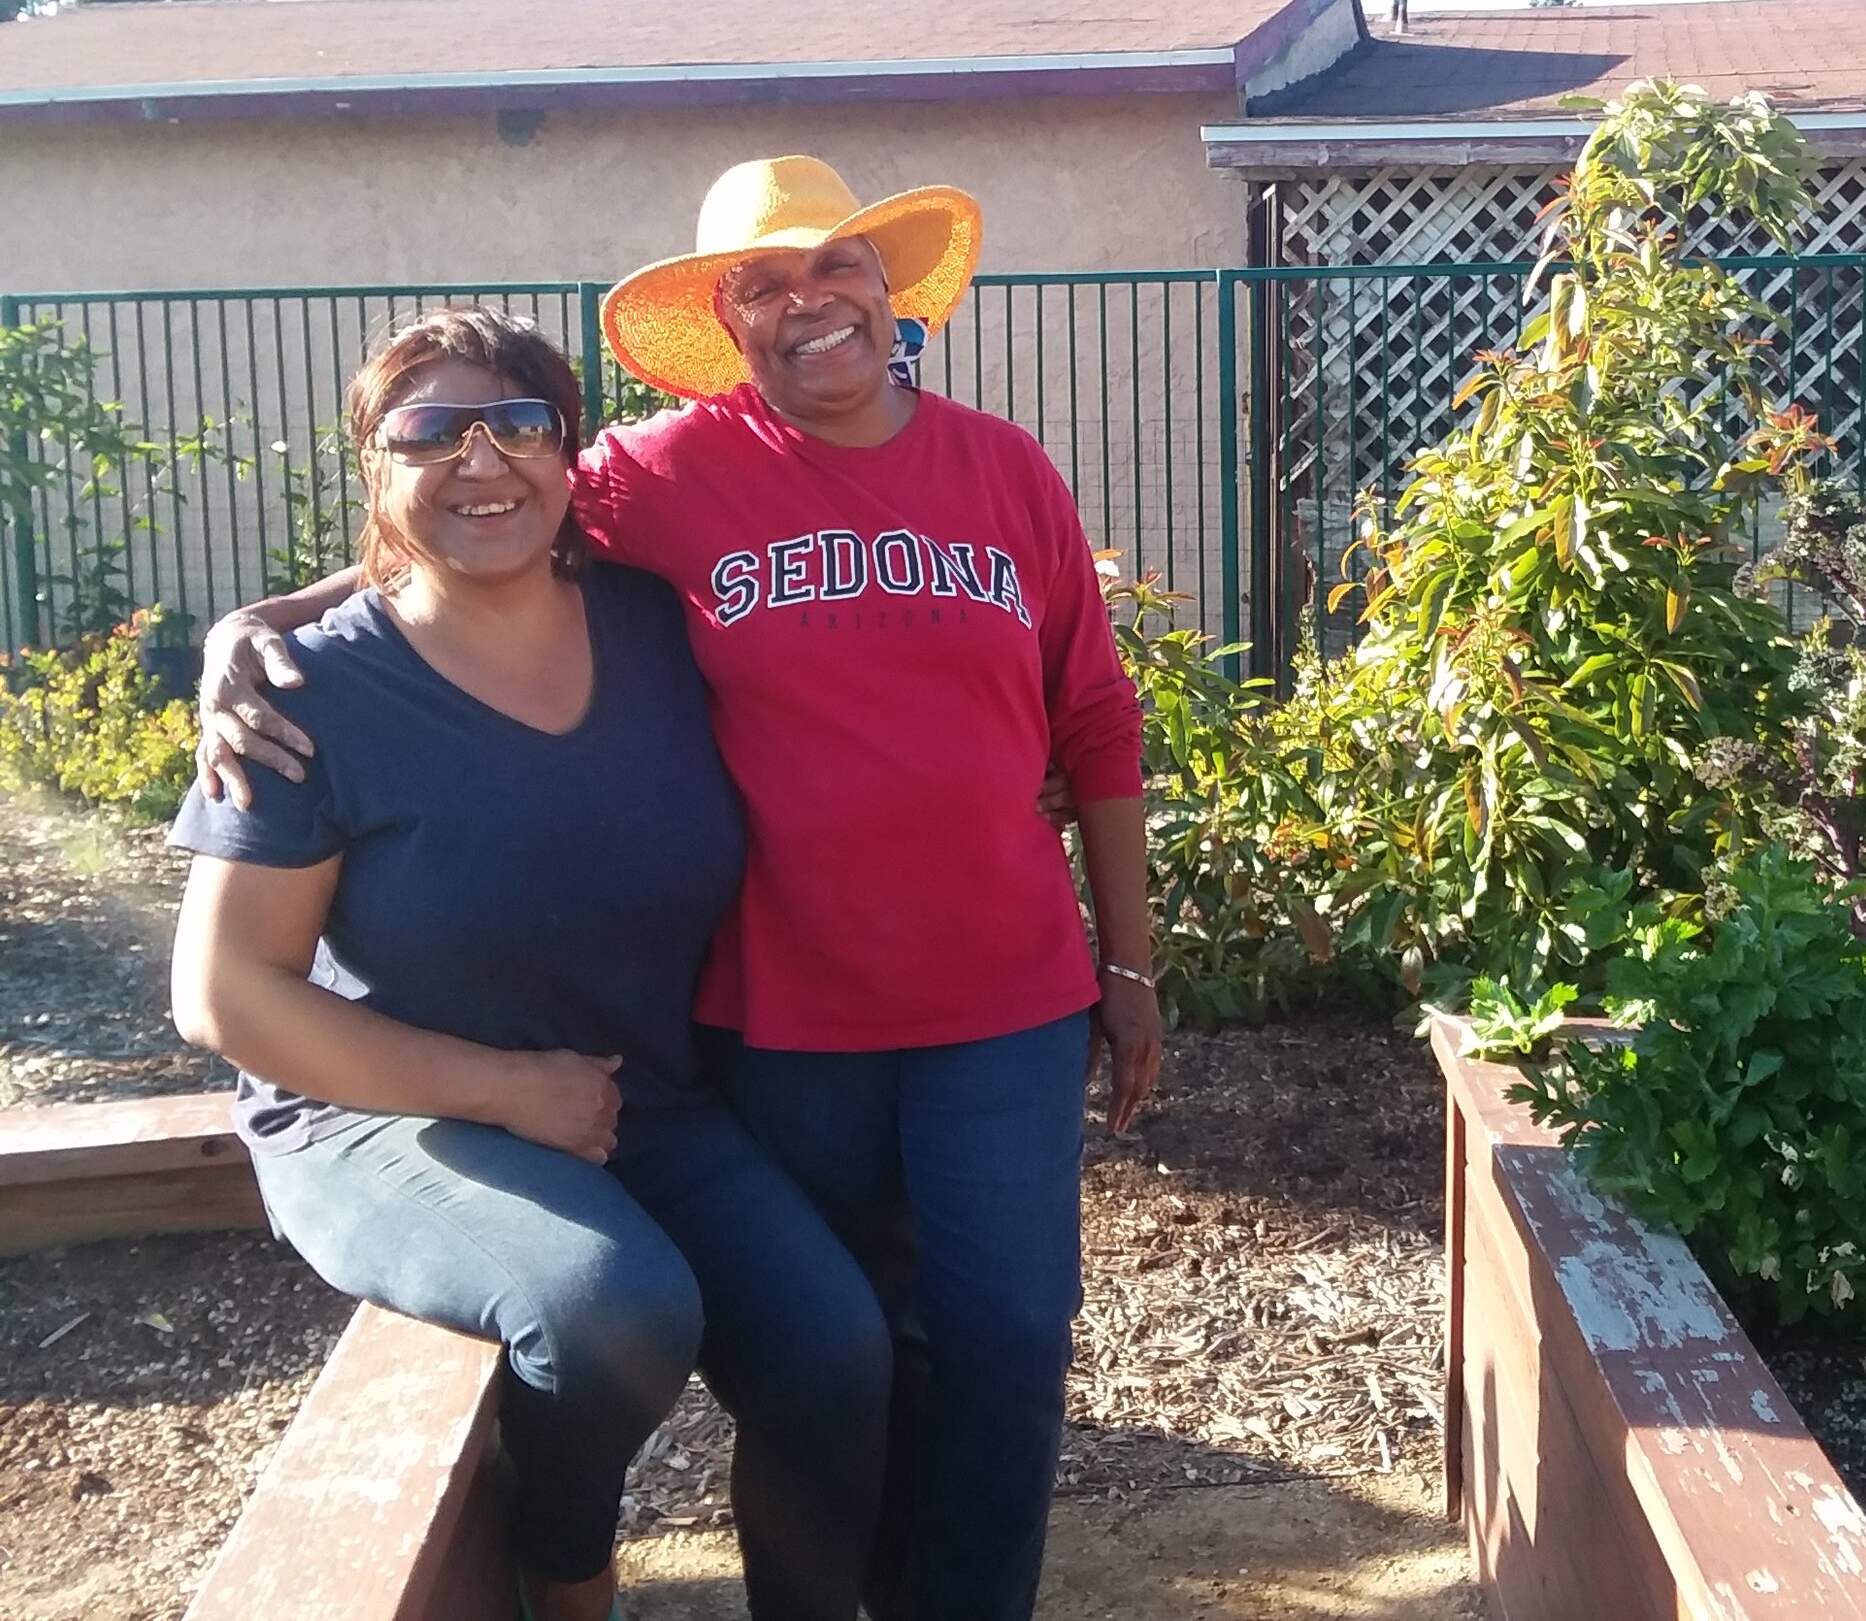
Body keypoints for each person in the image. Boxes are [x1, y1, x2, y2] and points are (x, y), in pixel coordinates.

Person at [195, 158, 1159, 1621]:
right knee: (854, 1340)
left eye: (835, 266)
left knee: (1008, 1337)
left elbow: (1092, 713)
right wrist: (256, 624)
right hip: (792, 1008)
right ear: (728, 322)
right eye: (763, 284)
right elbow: (469, 522)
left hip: (999, 989)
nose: (808, 303)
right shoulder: (668, 473)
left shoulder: (1002, 469)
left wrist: (1130, 964)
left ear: (887, 289)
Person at [170, 310, 894, 1621]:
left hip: (637, 1093)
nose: (481, 458)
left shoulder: (657, 625)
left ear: (569, 456)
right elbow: (222, 993)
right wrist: (503, 1089)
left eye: (518, 424)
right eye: (430, 431)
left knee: (833, 1352)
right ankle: (564, 1571)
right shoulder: (305, 695)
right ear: (375, 464)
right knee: (613, 1308)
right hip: (381, 1113)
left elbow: (846, 678)